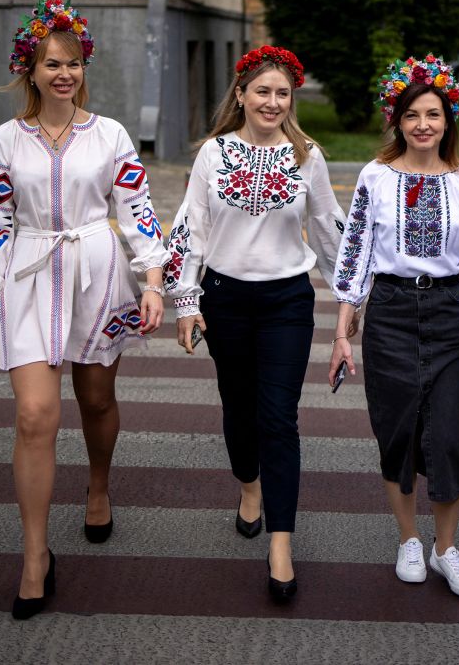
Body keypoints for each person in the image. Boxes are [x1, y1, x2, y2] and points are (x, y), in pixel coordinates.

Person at [0, 0, 169, 620]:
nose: (64, 73)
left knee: (97, 400)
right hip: (28, 278)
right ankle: (35, 558)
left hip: (97, 272)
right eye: (52, 63)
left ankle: (100, 485)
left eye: (74, 63)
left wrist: (154, 279)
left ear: (85, 68)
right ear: (29, 68)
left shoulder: (109, 135)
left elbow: (136, 210)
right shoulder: (6, 140)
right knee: (33, 415)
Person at [164, 45, 345, 604]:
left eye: (282, 93)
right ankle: (249, 487)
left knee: (278, 418)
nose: (271, 101)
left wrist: (351, 294)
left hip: (288, 301)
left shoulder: (306, 155)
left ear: (292, 100)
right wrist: (186, 301)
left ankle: (281, 546)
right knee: (239, 410)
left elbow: (326, 224)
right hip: (225, 299)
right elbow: (191, 229)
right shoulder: (213, 154)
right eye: (262, 91)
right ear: (241, 94)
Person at [329, 55, 459, 598]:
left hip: (451, 315)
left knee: (447, 436)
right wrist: (342, 332)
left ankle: (447, 549)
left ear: (448, 122)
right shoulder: (375, 175)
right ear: (396, 120)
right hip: (391, 312)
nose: (424, 124)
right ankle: (409, 539)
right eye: (413, 114)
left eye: (434, 114)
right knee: (395, 433)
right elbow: (356, 249)